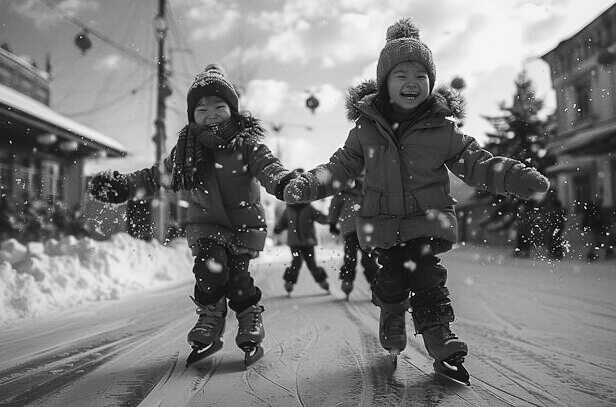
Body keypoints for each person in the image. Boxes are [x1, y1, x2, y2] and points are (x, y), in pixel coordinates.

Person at [283, 18, 549, 383]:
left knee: (427, 277)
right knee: (391, 277)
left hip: (428, 221)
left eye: (421, 75)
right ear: (384, 83)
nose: (412, 82)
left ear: (431, 82)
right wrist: (310, 185)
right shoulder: (366, 129)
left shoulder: (442, 129)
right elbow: (340, 167)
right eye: (401, 75)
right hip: (384, 224)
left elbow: (476, 164)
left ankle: (439, 335)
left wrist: (516, 176)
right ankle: (391, 312)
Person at [88, 64, 294, 365]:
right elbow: (153, 176)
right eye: (201, 108)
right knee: (209, 271)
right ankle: (210, 314)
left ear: (233, 110)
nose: (210, 114)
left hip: (242, 229)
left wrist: (285, 182)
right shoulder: (184, 151)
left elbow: (269, 167)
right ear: (191, 115)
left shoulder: (247, 145)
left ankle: (249, 315)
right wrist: (123, 186)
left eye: (219, 106)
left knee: (238, 282)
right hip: (207, 226)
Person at [273, 169, 331, 296]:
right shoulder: (288, 210)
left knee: (312, 265)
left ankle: (323, 282)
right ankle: (289, 284)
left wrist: (331, 219)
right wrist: (278, 227)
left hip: (308, 242)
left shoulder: (308, 208)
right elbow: (283, 221)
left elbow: (320, 217)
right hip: (294, 242)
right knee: (296, 262)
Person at [328, 173, 379, 299]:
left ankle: (377, 286)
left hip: (367, 231)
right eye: (359, 177)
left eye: (363, 177)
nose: (360, 180)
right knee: (350, 258)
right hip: (350, 230)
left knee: (369, 259)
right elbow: (335, 207)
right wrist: (332, 223)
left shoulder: (370, 192)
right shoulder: (344, 193)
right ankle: (347, 281)